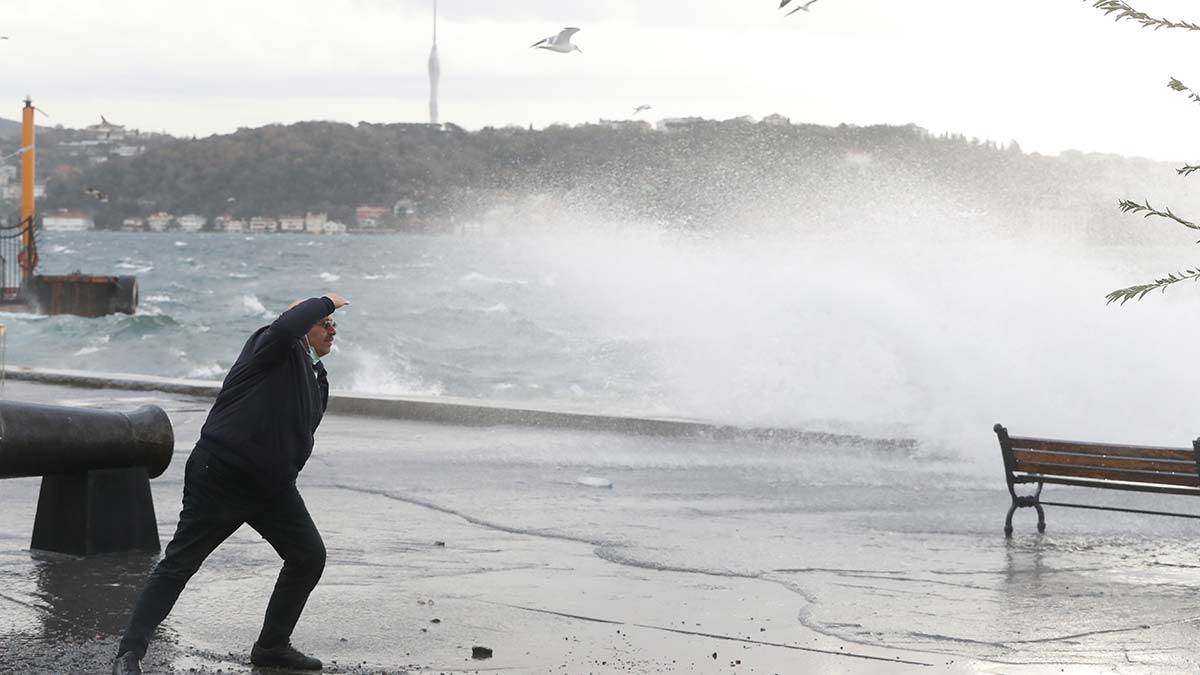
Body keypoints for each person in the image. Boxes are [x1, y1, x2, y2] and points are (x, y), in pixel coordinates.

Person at [113, 293, 349, 675]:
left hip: (271, 489)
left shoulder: (317, 377)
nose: (332, 328)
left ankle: (272, 646)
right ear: (301, 322)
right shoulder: (270, 346)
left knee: (308, 556)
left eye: (332, 323)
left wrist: (286, 471)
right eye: (324, 322)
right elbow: (287, 325)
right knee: (180, 564)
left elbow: (302, 432)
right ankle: (129, 653)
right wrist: (326, 301)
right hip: (220, 475)